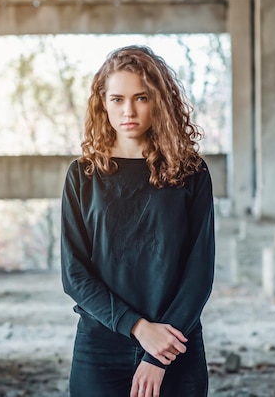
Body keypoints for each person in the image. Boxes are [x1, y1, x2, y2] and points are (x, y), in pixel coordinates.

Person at [60, 44, 215, 397]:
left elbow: (199, 272)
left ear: (158, 101)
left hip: (176, 344)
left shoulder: (190, 173)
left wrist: (158, 356)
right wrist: (139, 329)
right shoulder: (82, 176)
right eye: (117, 99)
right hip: (100, 347)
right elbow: (74, 274)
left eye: (141, 98)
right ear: (103, 103)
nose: (128, 110)